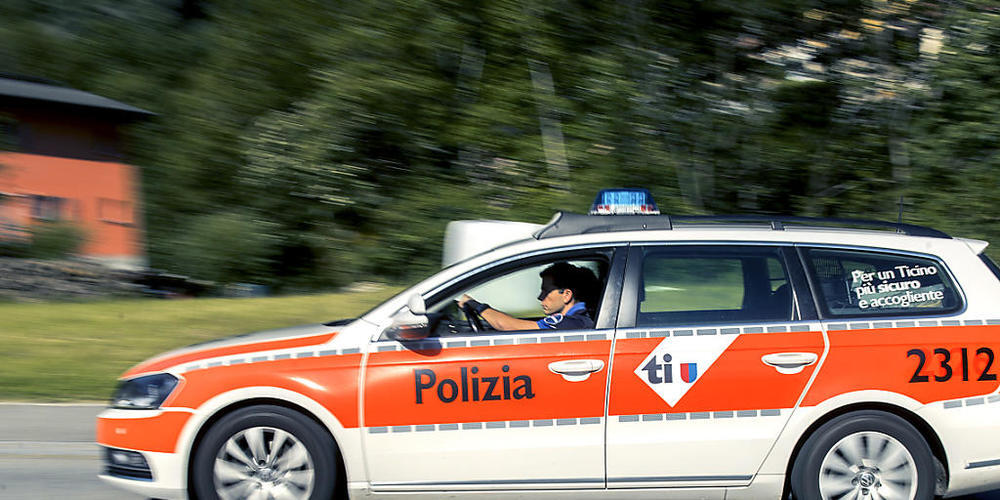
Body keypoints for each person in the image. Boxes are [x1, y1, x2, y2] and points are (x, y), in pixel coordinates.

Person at [457, 262, 598, 331]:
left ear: (566, 295)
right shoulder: (581, 319)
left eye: (546, 291)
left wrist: (476, 306)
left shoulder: (571, 323)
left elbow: (506, 326)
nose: (540, 297)